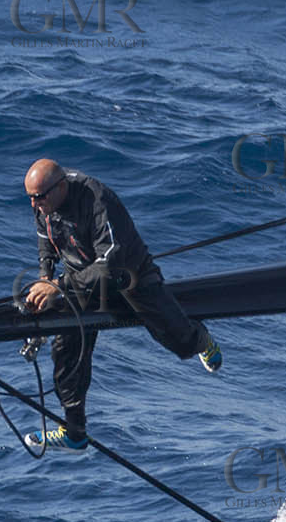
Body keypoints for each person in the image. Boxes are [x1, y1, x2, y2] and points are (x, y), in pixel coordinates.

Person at [20, 158, 222, 451]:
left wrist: (59, 287)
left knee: (177, 340)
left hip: (127, 274)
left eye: (38, 198)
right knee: (66, 345)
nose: (34, 205)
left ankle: (201, 339)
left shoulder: (95, 199)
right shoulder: (44, 203)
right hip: (80, 280)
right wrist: (45, 280)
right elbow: (45, 242)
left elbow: (111, 264)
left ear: (60, 187)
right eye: (29, 198)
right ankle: (74, 432)